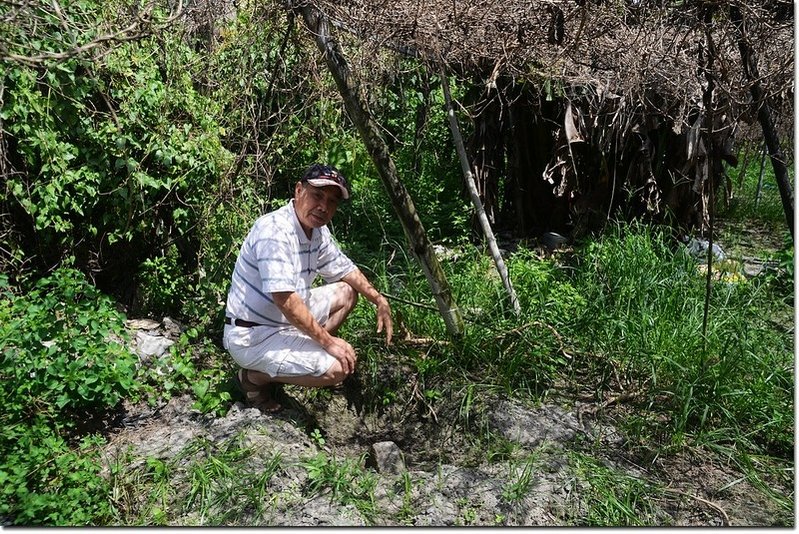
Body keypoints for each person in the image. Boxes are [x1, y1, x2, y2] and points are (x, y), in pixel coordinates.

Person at [222, 163, 393, 413]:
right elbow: (285, 300)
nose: (324, 206)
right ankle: (253, 379)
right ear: (299, 191)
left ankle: (298, 359)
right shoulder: (275, 231)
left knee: (346, 293)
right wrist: (328, 342)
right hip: (253, 336)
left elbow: (345, 269)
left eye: (332, 201)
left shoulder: (316, 231)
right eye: (317, 195)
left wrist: (378, 299)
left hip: (283, 321)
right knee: (338, 367)